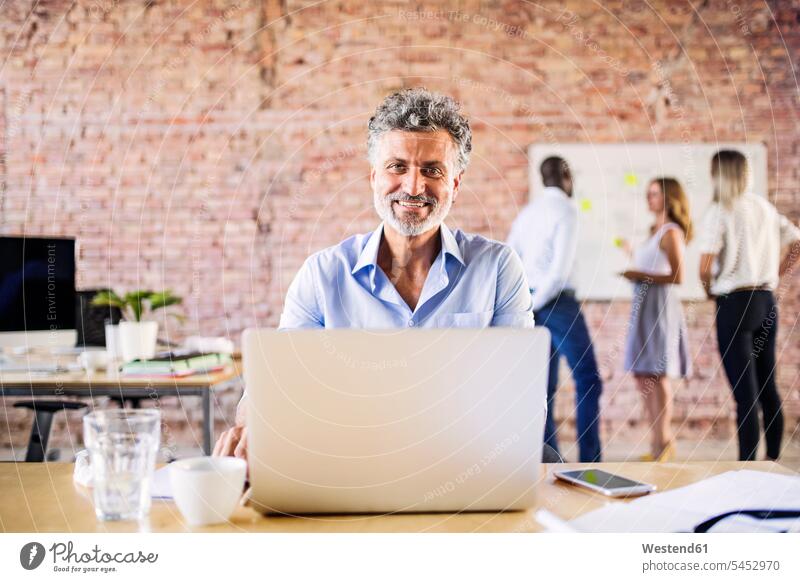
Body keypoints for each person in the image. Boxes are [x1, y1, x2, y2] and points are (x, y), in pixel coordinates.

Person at [214, 88, 535, 459]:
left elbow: (518, 397)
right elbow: (275, 388)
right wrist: (253, 426)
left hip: (466, 467)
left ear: (455, 185)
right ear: (373, 177)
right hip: (350, 468)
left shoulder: (497, 269)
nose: (414, 187)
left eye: (432, 170)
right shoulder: (322, 275)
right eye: (397, 166)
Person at [697, 149, 800, 461]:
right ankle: (772, 462)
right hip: (765, 301)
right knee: (767, 386)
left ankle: (747, 469)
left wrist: (708, 290)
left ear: (719, 175)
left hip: (735, 303)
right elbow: (796, 242)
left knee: (745, 396)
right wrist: (778, 274)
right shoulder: (764, 208)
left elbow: (704, 266)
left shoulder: (720, 210)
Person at [507, 157, 603, 462]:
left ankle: (550, 462)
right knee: (588, 378)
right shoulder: (566, 210)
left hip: (533, 302)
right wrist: (539, 302)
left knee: (542, 389)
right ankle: (590, 459)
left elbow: (511, 257)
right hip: (557, 303)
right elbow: (559, 273)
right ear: (566, 175)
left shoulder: (528, 213)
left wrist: (528, 304)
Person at [619, 178, 692, 462]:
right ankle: (656, 442)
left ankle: (663, 443)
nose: (649, 199)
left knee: (658, 375)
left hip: (660, 309)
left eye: (655, 194)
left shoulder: (670, 232)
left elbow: (679, 276)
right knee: (642, 374)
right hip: (644, 306)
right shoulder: (653, 231)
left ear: (668, 197)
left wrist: (639, 275)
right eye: (647, 194)